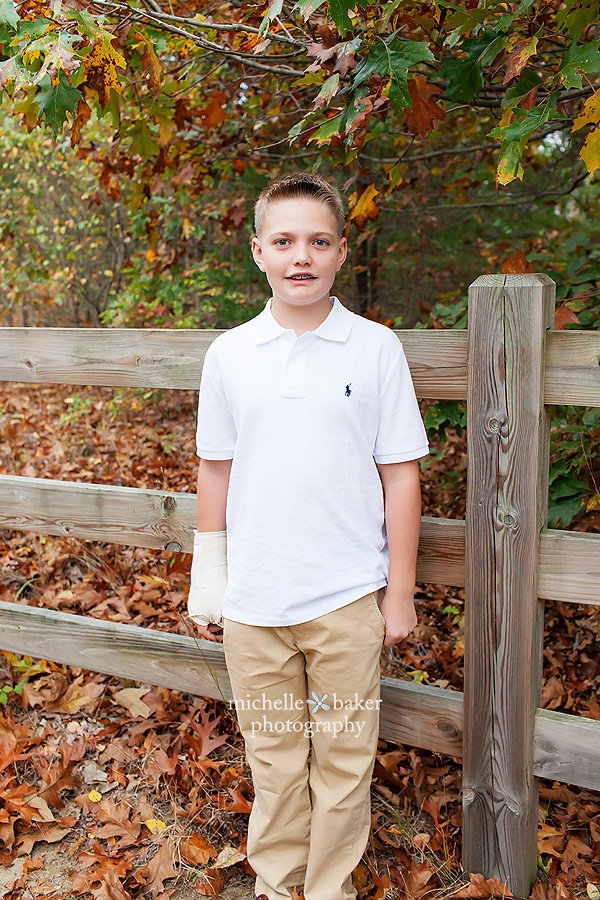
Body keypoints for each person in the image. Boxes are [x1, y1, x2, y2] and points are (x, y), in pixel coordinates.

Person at [188, 172, 428, 900]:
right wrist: (210, 579)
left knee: (344, 756)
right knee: (275, 754)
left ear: (341, 251)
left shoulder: (375, 348)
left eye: (318, 241)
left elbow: (402, 477)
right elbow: (215, 471)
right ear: (258, 250)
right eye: (285, 241)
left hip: (345, 600)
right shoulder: (231, 354)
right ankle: (275, 879)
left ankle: (327, 887)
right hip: (255, 605)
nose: (302, 257)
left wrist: (400, 595)